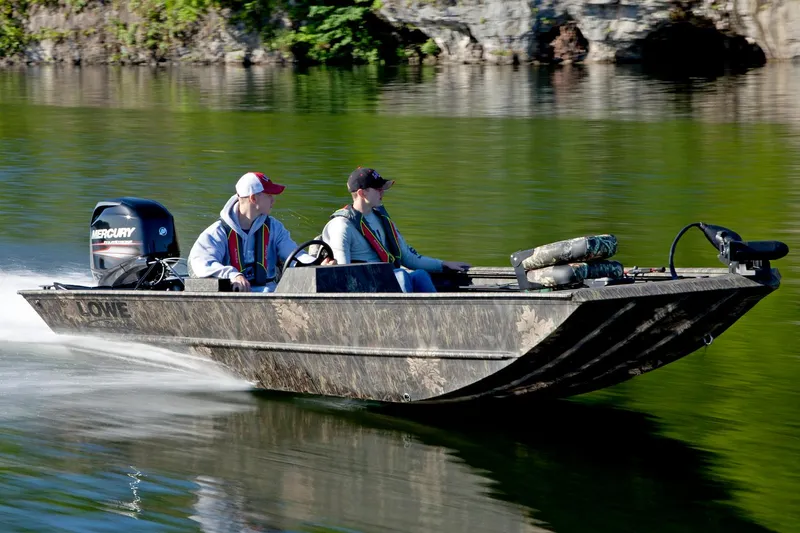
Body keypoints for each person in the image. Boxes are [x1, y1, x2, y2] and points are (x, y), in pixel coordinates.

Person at [321, 167, 470, 293]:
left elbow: (408, 258)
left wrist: (443, 264)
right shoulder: (342, 226)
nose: (382, 193)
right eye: (378, 189)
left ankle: (434, 315)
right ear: (362, 193)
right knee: (401, 276)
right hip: (364, 288)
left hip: (387, 279)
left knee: (420, 276)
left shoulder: (382, 219)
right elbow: (343, 272)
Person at [189, 171, 334, 292]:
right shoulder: (218, 232)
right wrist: (233, 275)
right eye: (269, 195)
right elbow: (200, 263)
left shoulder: (274, 227)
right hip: (234, 300)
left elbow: (294, 254)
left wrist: (317, 265)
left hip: (271, 297)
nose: (273, 200)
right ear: (253, 198)